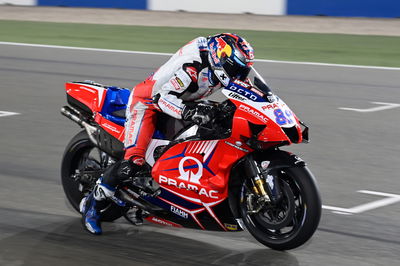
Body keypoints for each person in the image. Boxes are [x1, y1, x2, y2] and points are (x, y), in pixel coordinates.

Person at [80, 33, 255, 235]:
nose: (239, 74)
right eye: (236, 68)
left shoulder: (223, 65)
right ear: (220, 58)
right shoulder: (193, 66)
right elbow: (161, 98)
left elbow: (248, 89)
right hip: (149, 104)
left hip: (181, 102)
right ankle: (92, 204)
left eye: (244, 69)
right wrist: (189, 112)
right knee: (134, 162)